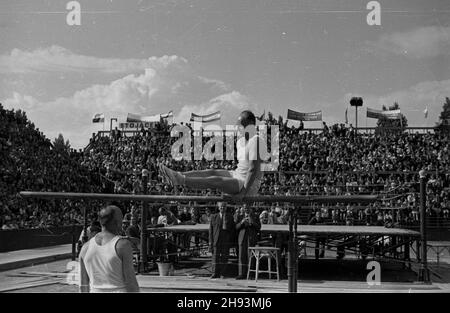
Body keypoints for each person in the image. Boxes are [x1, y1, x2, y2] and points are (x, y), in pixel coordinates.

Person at [159, 110, 266, 197]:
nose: (238, 127)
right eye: (238, 125)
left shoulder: (256, 140)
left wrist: (243, 193)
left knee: (215, 181)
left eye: (241, 125)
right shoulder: (240, 141)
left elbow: (253, 169)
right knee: (212, 171)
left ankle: (181, 180)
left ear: (251, 125)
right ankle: (177, 175)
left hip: (249, 184)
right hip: (238, 174)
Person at [79, 205, 139, 293]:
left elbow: (83, 285)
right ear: (118, 222)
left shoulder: (85, 248)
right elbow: (130, 281)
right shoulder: (122, 245)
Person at [209, 202, 235, 279]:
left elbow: (233, 229)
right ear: (218, 207)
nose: (222, 208)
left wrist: (229, 238)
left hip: (225, 240)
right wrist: (211, 241)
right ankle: (214, 273)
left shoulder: (230, 217)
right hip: (216, 240)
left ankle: (223, 273)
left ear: (226, 208)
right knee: (215, 257)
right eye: (221, 207)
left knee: (224, 257)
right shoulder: (213, 216)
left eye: (224, 207)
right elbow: (211, 230)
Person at [234, 204, 261, 279]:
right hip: (242, 238)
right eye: (245, 208)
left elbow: (259, 227)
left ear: (250, 208)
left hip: (251, 238)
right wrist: (242, 222)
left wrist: (252, 222)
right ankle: (241, 274)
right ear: (243, 208)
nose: (246, 209)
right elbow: (235, 227)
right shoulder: (239, 216)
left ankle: (251, 274)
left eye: (248, 208)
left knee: (251, 256)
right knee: (241, 256)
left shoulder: (255, 216)